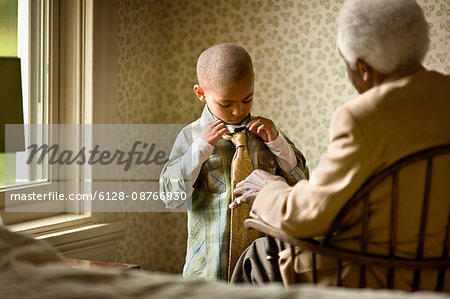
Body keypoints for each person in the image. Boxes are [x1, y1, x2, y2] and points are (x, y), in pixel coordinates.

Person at [230, 0, 450, 290]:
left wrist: (269, 188)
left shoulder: (362, 118)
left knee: (258, 255)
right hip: (441, 276)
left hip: (370, 273)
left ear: (363, 68)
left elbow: (309, 217)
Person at [159, 43, 309, 281]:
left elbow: (301, 182)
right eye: (226, 104)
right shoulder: (190, 137)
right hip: (208, 269)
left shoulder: (265, 134)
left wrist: (278, 143)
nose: (238, 111)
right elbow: (170, 196)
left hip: (264, 266)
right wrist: (200, 149)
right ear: (201, 93)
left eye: (247, 99)